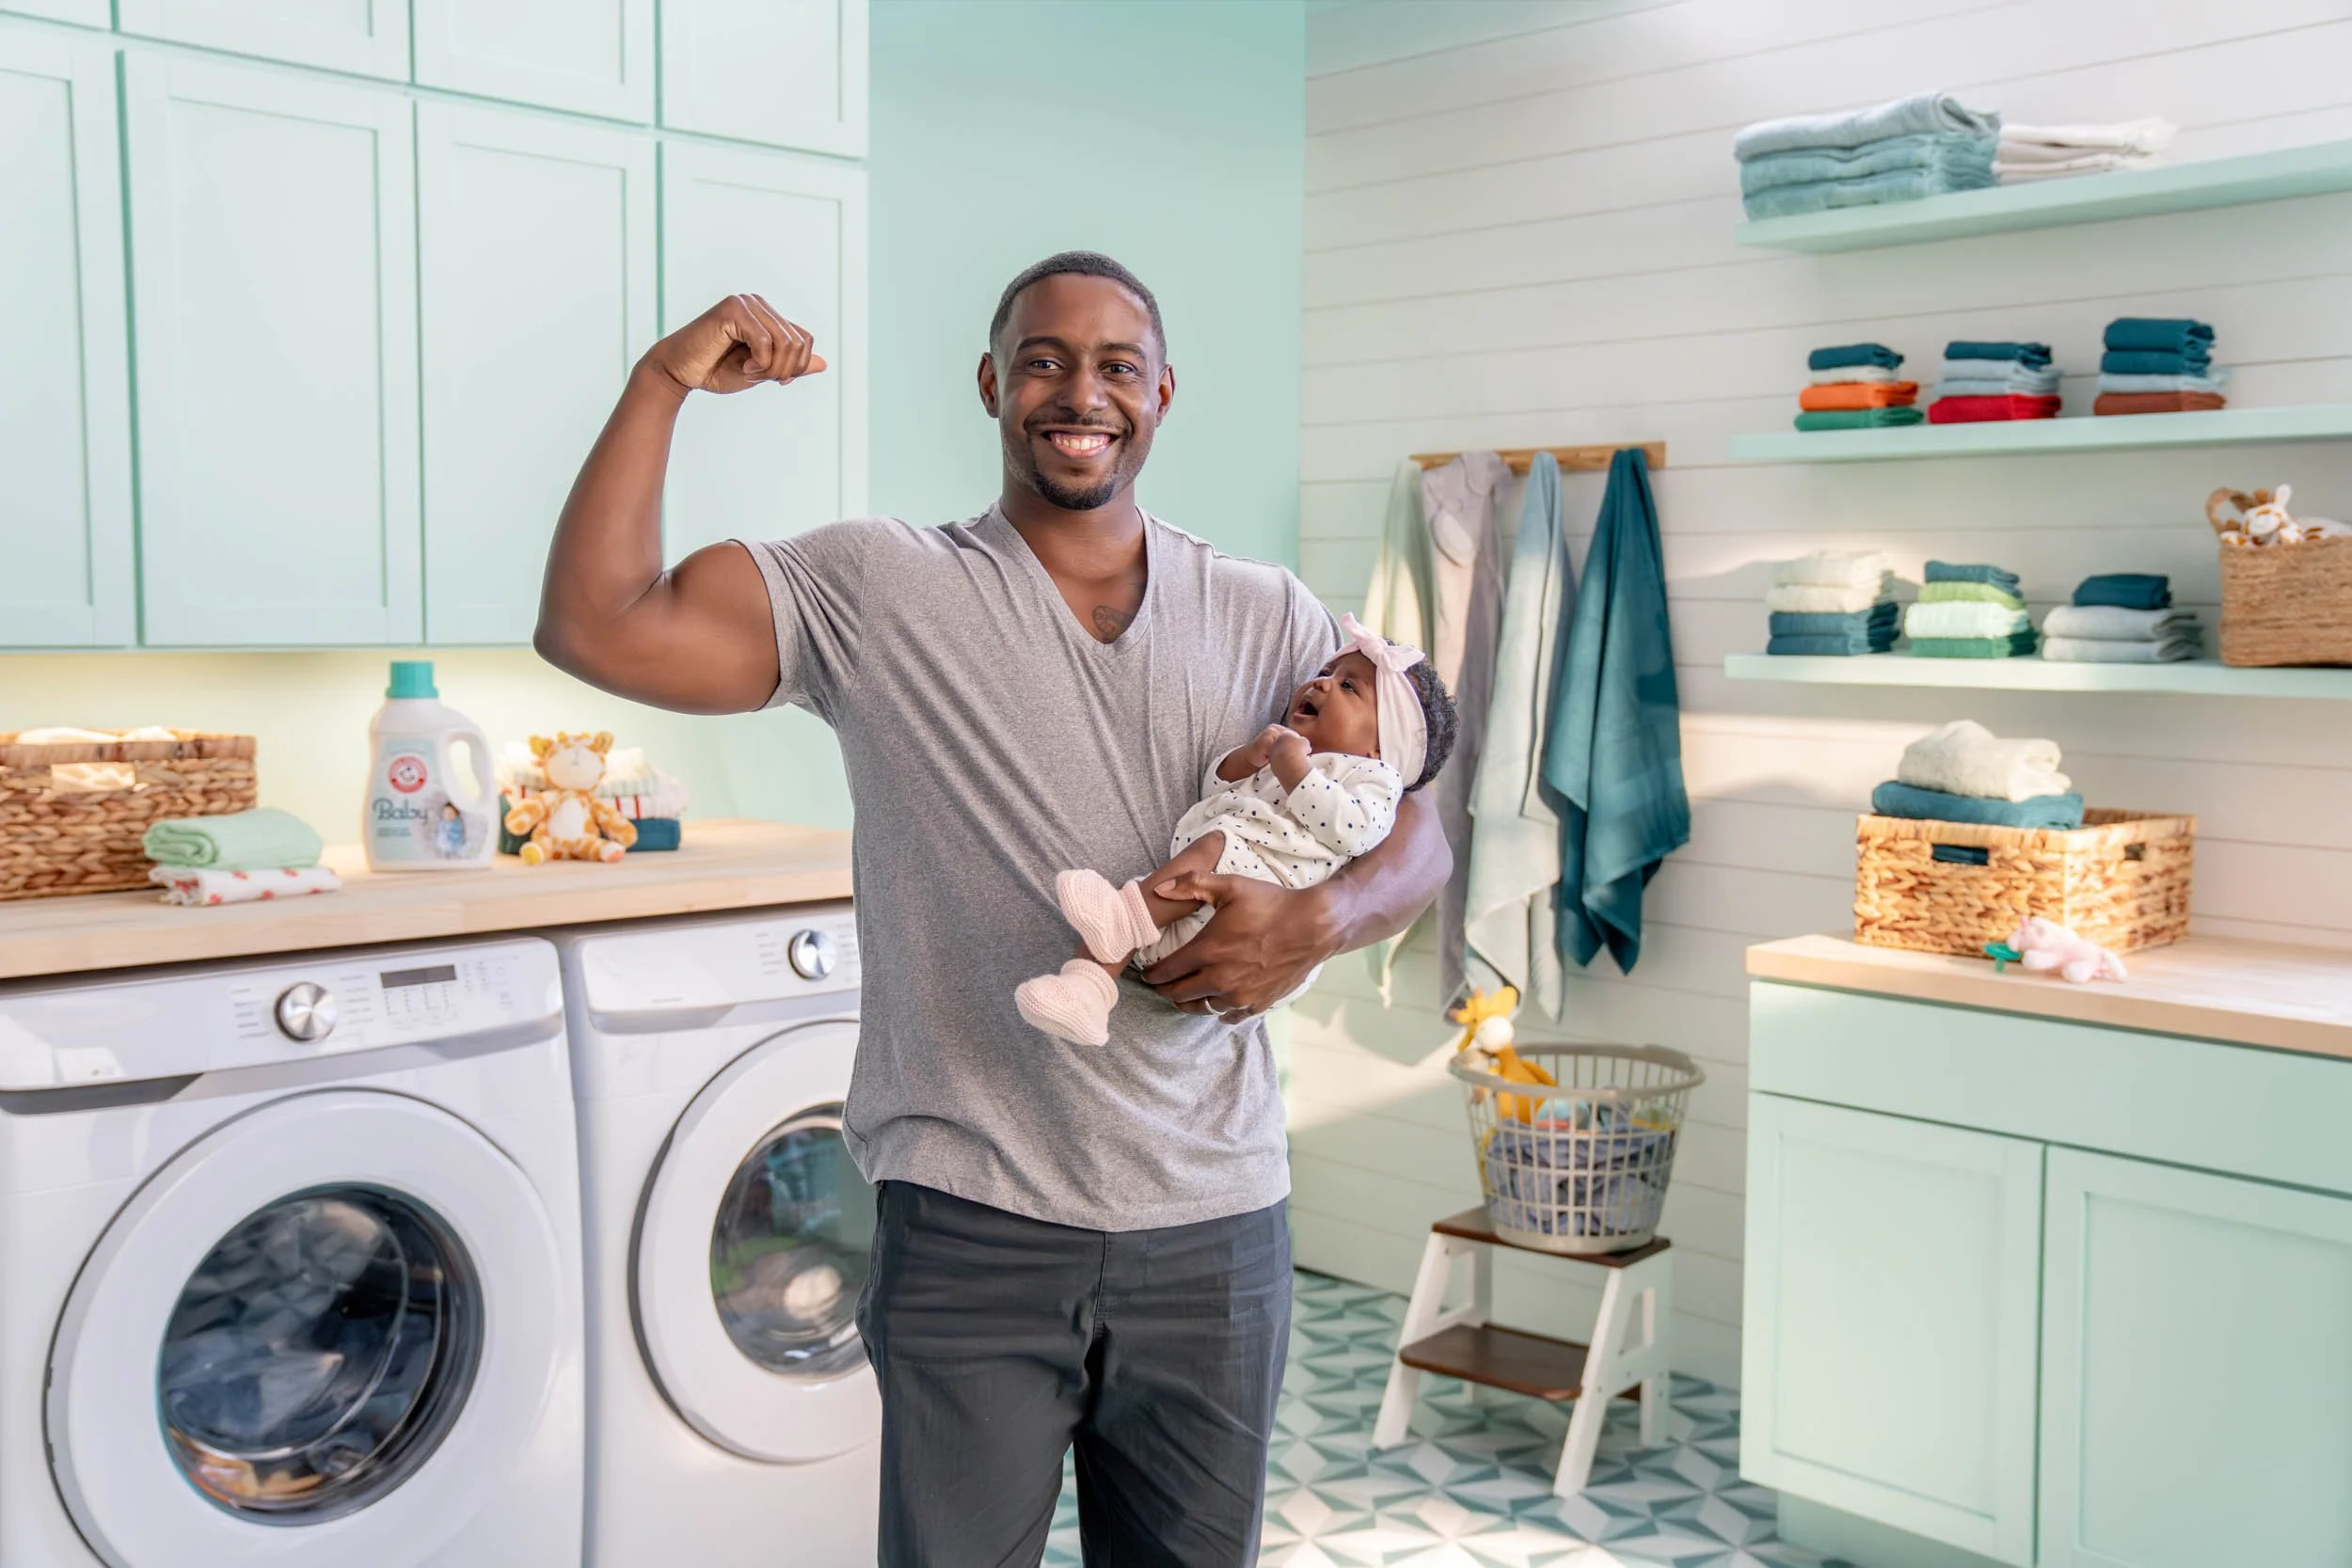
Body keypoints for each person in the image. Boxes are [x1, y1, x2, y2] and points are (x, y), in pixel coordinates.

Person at [534, 250, 1450, 1567]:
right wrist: (660, 382)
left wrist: (1325, 917)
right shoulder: (878, 587)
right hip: (971, 1227)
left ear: (1163, 395)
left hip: (1213, 1225)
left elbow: (1419, 818)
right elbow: (597, 623)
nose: (1081, 392)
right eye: (1045, 358)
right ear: (993, 384)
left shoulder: (1269, 613)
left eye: (1116, 365)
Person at [1017, 616, 1458, 1047]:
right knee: (1164, 884)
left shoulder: (1372, 779)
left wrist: (1293, 768)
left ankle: (1119, 924)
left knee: (1215, 845)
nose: (1322, 683)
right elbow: (1215, 794)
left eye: (1348, 686)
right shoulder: (1289, 749)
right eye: (1326, 673)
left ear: (1381, 747)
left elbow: (1352, 831)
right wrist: (1247, 759)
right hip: (1189, 912)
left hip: (1261, 896)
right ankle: (1086, 989)